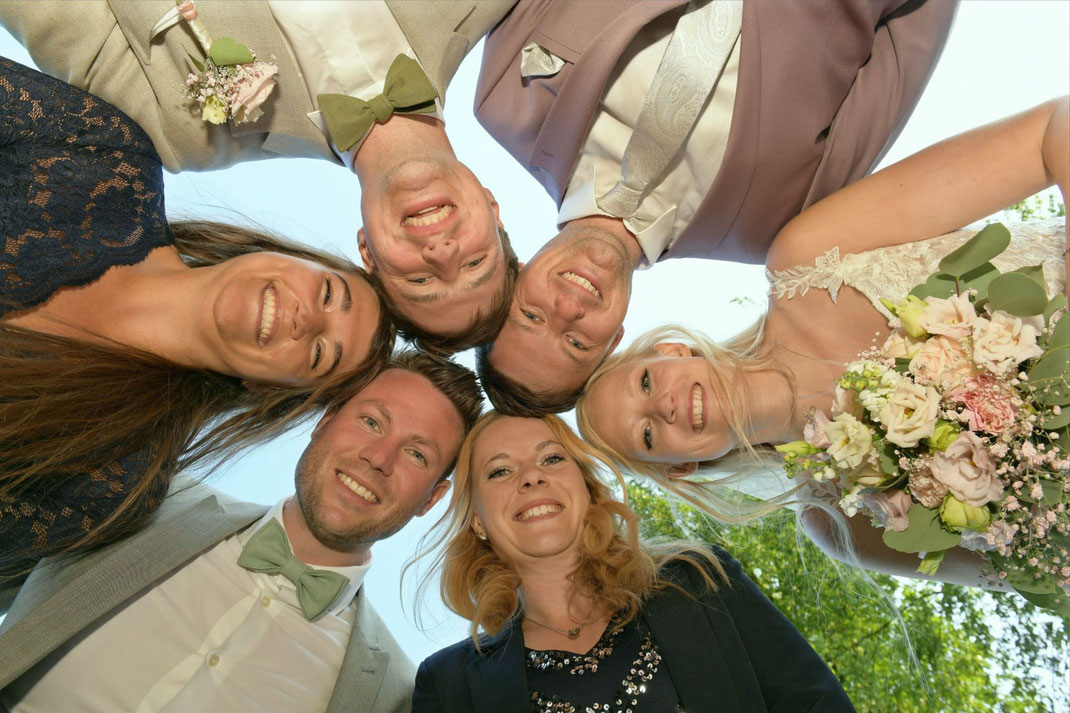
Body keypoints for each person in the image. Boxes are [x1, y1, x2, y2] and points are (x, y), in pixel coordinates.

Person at [575, 97, 1070, 586]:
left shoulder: (809, 257)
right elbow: (1040, 575)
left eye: (643, 383)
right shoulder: (841, 524)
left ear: (671, 352)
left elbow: (1053, 127)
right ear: (681, 466)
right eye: (645, 435)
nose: (661, 405)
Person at [0, 57, 395, 576]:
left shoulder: (118, 486)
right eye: (327, 293)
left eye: (320, 353)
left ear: (266, 387)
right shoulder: (106, 153)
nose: (306, 320)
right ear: (292, 256)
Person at [472, 0, 958, 413]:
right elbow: (898, 61)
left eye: (531, 317)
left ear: (511, 273)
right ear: (615, 339)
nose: (567, 309)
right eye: (577, 344)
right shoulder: (781, 226)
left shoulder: (506, 100)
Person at [0, 0, 519, 351]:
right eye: (475, 261)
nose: (443, 254)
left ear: (368, 252)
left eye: (420, 280)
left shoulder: (185, 136)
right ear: (493, 211)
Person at [0, 350, 483, 713]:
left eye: (417, 454)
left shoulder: (393, 693)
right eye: (372, 421)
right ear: (325, 422)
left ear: (431, 499)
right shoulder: (138, 492)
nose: (379, 458)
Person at [410, 413, 854, 712]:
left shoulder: (699, 579)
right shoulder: (448, 686)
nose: (531, 475)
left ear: (587, 490)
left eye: (551, 458)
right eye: (500, 471)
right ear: (477, 523)